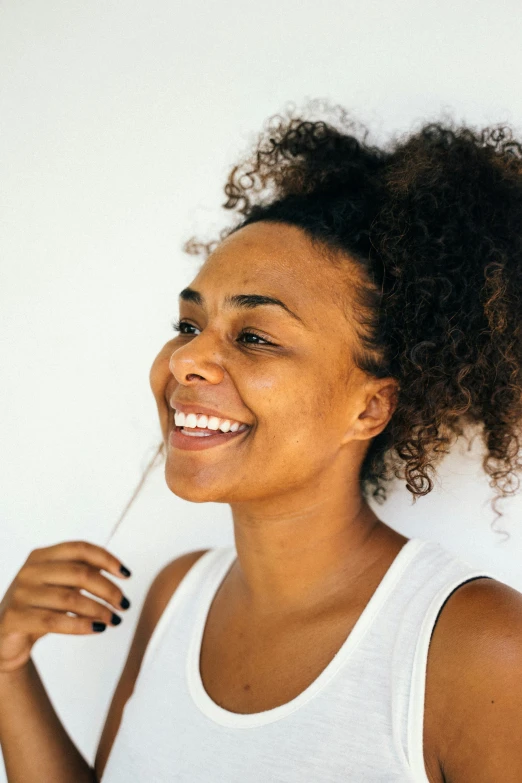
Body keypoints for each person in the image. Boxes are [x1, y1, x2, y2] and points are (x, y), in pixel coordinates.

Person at [1, 99, 522, 782]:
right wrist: (9, 669)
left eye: (254, 337)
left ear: (371, 406)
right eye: (189, 326)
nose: (186, 361)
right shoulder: (177, 594)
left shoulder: (478, 645)